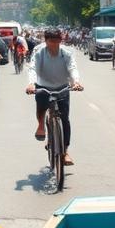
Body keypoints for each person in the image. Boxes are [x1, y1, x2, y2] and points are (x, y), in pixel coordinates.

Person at [26, 27, 82, 165]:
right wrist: (31, 84)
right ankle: (41, 125)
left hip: (62, 86)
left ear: (61, 40)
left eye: (57, 40)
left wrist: (76, 82)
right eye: (51, 41)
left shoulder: (66, 53)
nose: (54, 44)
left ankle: (65, 152)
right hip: (43, 86)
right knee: (41, 107)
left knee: (65, 119)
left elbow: (72, 68)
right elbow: (32, 68)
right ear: (46, 41)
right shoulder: (39, 53)